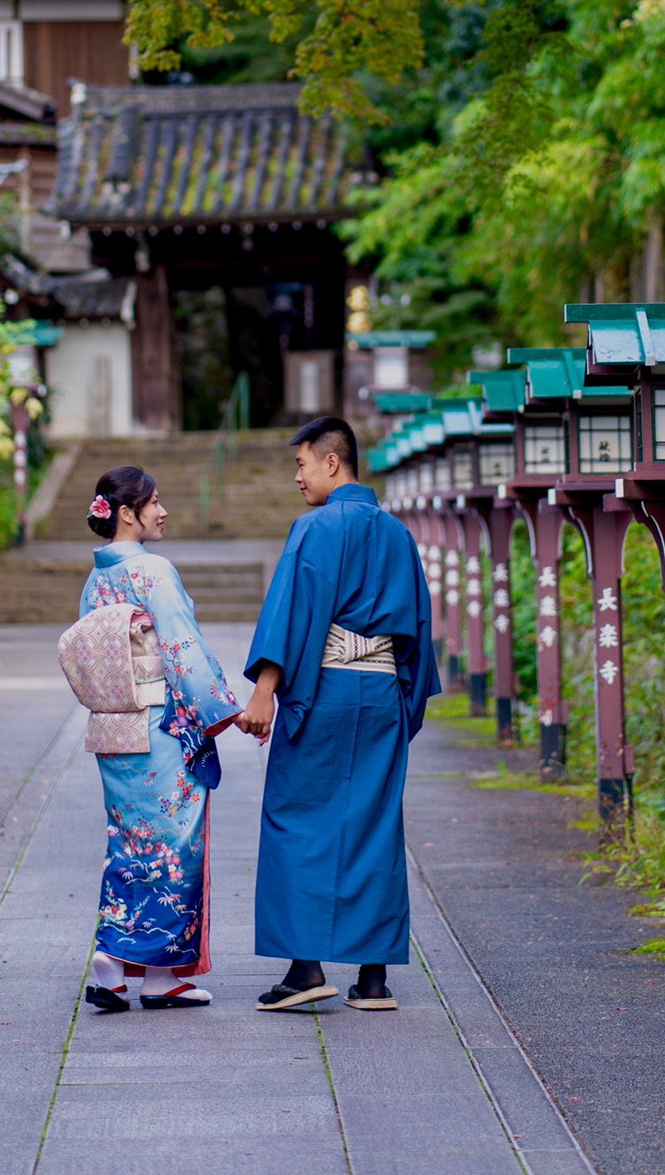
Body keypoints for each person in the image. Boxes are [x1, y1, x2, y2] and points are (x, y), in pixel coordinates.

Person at [238, 416, 440, 1012]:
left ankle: (305, 969)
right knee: (375, 827)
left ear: (332, 462)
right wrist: (402, 706)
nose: (296, 477)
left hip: (323, 691)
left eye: (301, 464)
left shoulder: (315, 528)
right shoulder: (398, 534)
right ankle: (373, 980)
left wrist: (263, 695)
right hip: (379, 693)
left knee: (295, 820)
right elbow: (418, 633)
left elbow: (292, 615)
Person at [75, 465, 241, 1011]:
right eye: (154, 502)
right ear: (128, 513)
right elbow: (180, 648)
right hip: (162, 731)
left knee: (129, 842)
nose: (162, 510)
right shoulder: (153, 571)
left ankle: (115, 962)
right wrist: (222, 708)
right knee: (174, 846)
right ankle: (162, 974)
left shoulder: (96, 580)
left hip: (116, 727)